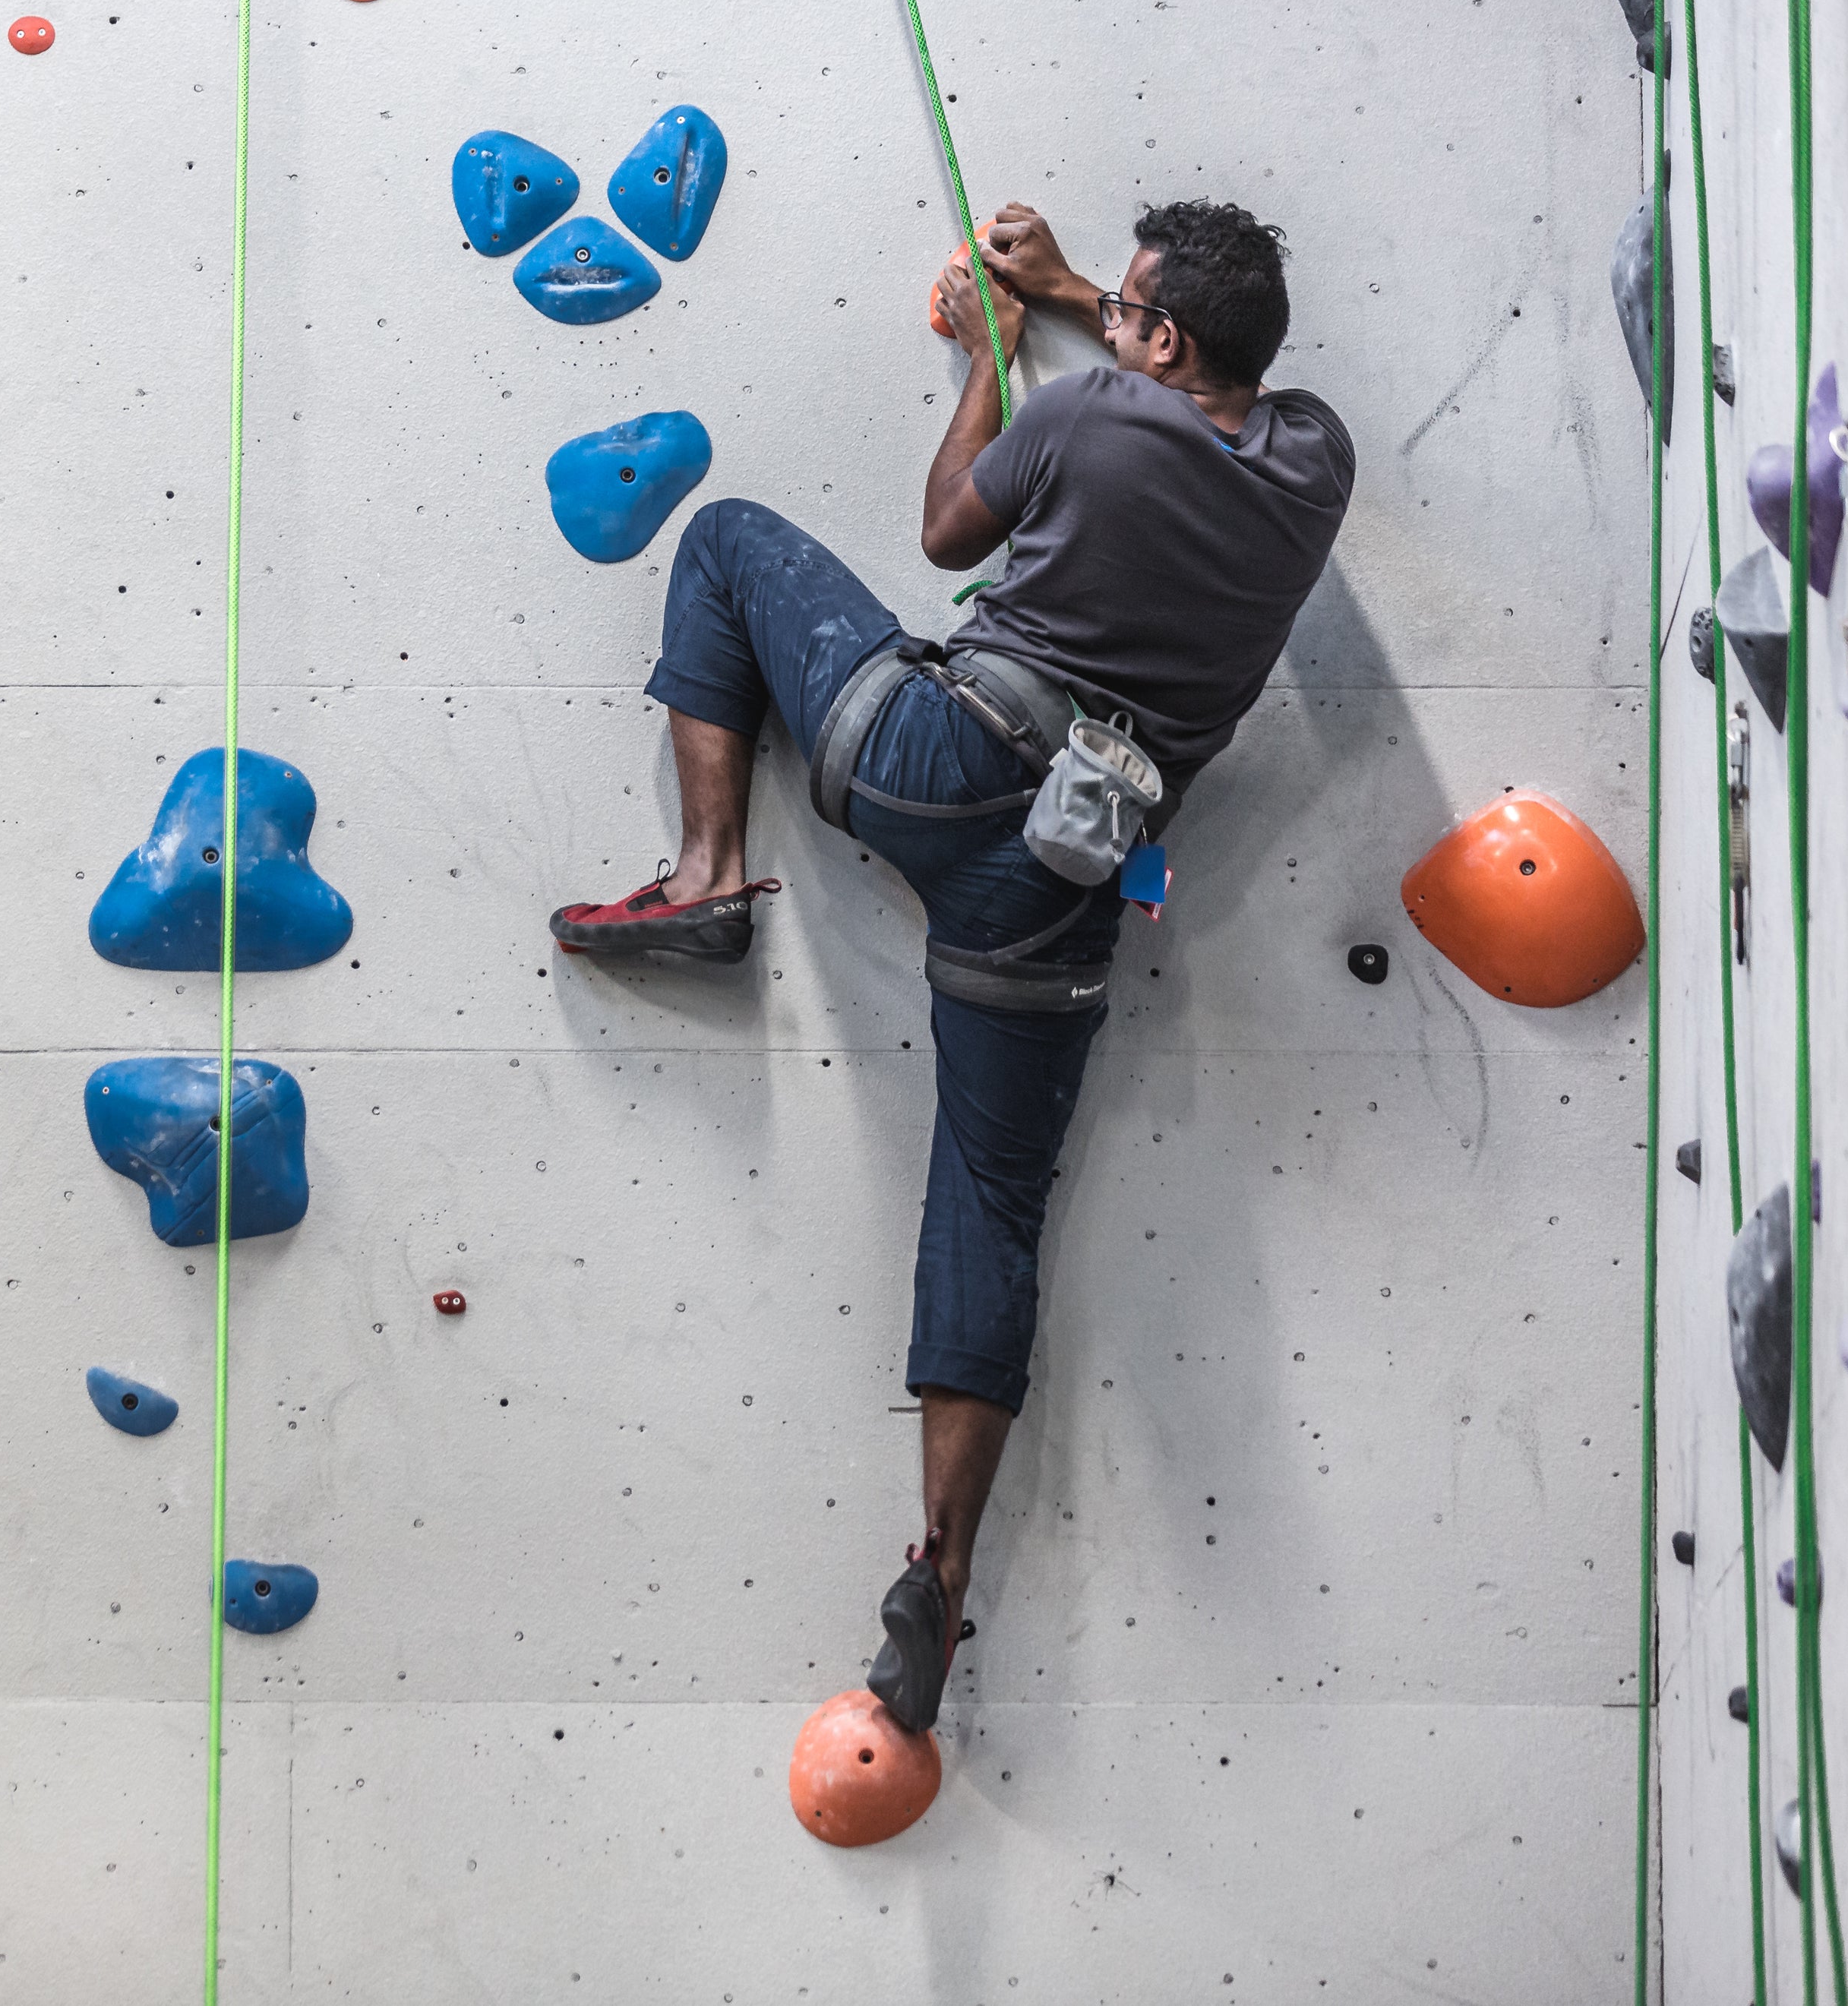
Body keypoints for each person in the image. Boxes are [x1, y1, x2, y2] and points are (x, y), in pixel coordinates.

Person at [546, 200, 1357, 1732]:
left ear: (1156, 340)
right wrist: (1066, 291)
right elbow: (1203, 398)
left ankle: (706, 878)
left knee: (723, 543)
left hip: (933, 757)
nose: (1103, 323)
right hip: (1064, 874)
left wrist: (995, 347)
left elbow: (945, 533)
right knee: (989, 1199)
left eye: (1124, 309)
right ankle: (942, 1557)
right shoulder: (1311, 460)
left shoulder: (1077, 411)